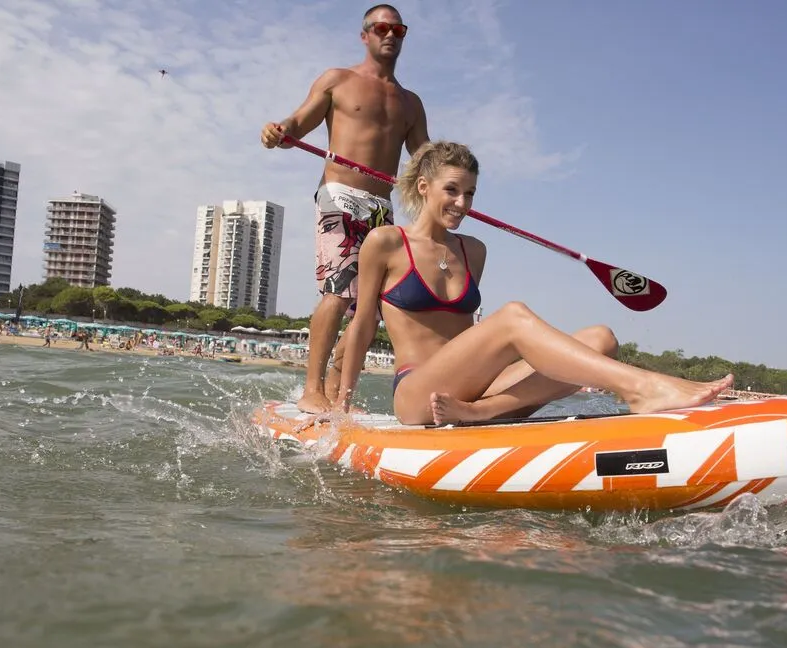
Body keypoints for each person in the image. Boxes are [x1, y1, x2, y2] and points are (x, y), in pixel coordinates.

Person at [334, 141, 735, 426]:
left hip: (478, 390)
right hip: (420, 394)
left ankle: (482, 414)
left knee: (601, 339)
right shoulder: (385, 242)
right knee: (512, 317)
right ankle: (642, 389)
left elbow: (471, 342)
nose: (462, 203)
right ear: (424, 187)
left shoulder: (474, 250)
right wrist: (343, 405)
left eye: (470, 193)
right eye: (451, 190)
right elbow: (363, 324)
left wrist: (480, 398)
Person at [261, 3, 430, 414]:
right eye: (382, 28)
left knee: (369, 312)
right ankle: (312, 390)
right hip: (338, 195)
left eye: (399, 30)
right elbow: (298, 122)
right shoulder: (338, 80)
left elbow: (424, 159)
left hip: (380, 208)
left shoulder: (411, 103)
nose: (390, 35)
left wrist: (447, 187)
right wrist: (279, 132)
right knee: (337, 295)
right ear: (365, 35)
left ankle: (340, 392)